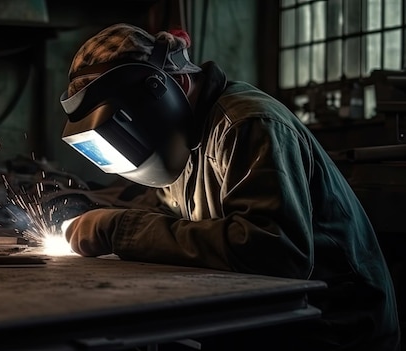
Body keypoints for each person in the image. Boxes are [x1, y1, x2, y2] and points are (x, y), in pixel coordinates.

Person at [58, 23, 401, 351]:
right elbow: (168, 218)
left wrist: (120, 229)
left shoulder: (248, 124)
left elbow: (275, 254)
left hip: (333, 328)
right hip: (262, 321)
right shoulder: (181, 137)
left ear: (167, 87)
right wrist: (96, 214)